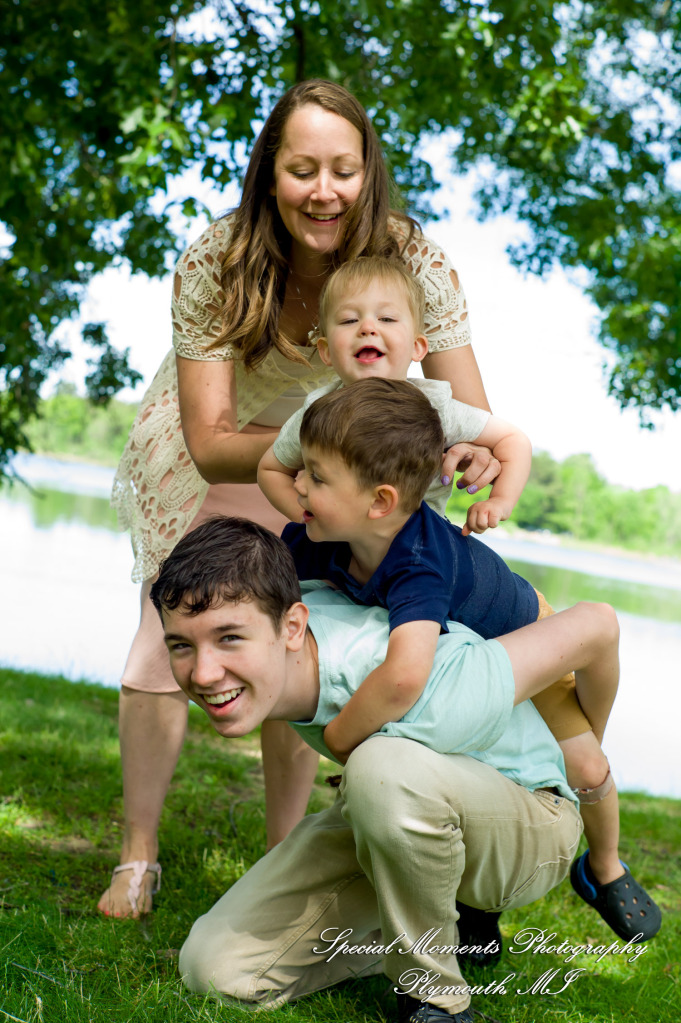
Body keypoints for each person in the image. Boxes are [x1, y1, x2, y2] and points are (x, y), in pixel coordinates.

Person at [99, 78, 499, 918]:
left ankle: (278, 854)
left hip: (332, 470)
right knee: (169, 630)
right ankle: (136, 856)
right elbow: (209, 442)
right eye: (301, 169)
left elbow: (468, 413)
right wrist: (319, 443)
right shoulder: (219, 257)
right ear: (269, 174)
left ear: (367, 173)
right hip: (227, 448)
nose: (324, 191)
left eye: (343, 170)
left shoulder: (414, 258)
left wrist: (468, 452)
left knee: (296, 643)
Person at [147, 514, 629, 1022]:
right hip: (404, 804)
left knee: (382, 768)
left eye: (229, 639)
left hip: (532, 819)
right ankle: (443, 927)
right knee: (216, 970)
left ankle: (434, 998)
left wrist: (585, 759)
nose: (203, 673)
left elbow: (591, 628)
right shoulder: (287, 660)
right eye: (182, 645)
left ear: (293, 626)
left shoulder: (409, 673)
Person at [277, 375, 662, 943]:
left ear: (380, 501)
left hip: (528, 635)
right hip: (475, 662)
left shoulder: (417, 559)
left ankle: (603, 866)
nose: (298, 486)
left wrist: (341, 740)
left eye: (316, 477)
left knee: (582, 764)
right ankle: (473, 902)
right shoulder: (314, 537)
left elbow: (406, 674)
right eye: (302, 470)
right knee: (473, 769)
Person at [258, 256, 531, 534]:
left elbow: (513, 440)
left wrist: (499, 502)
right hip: (340, 551)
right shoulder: (317, 410)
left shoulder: (434, 407)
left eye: (386, 318)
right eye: (349, 319)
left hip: (420, 548)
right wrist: (311, 516)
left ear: (417, 347)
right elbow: (271, 470)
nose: (367, 327)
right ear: (326, 351)